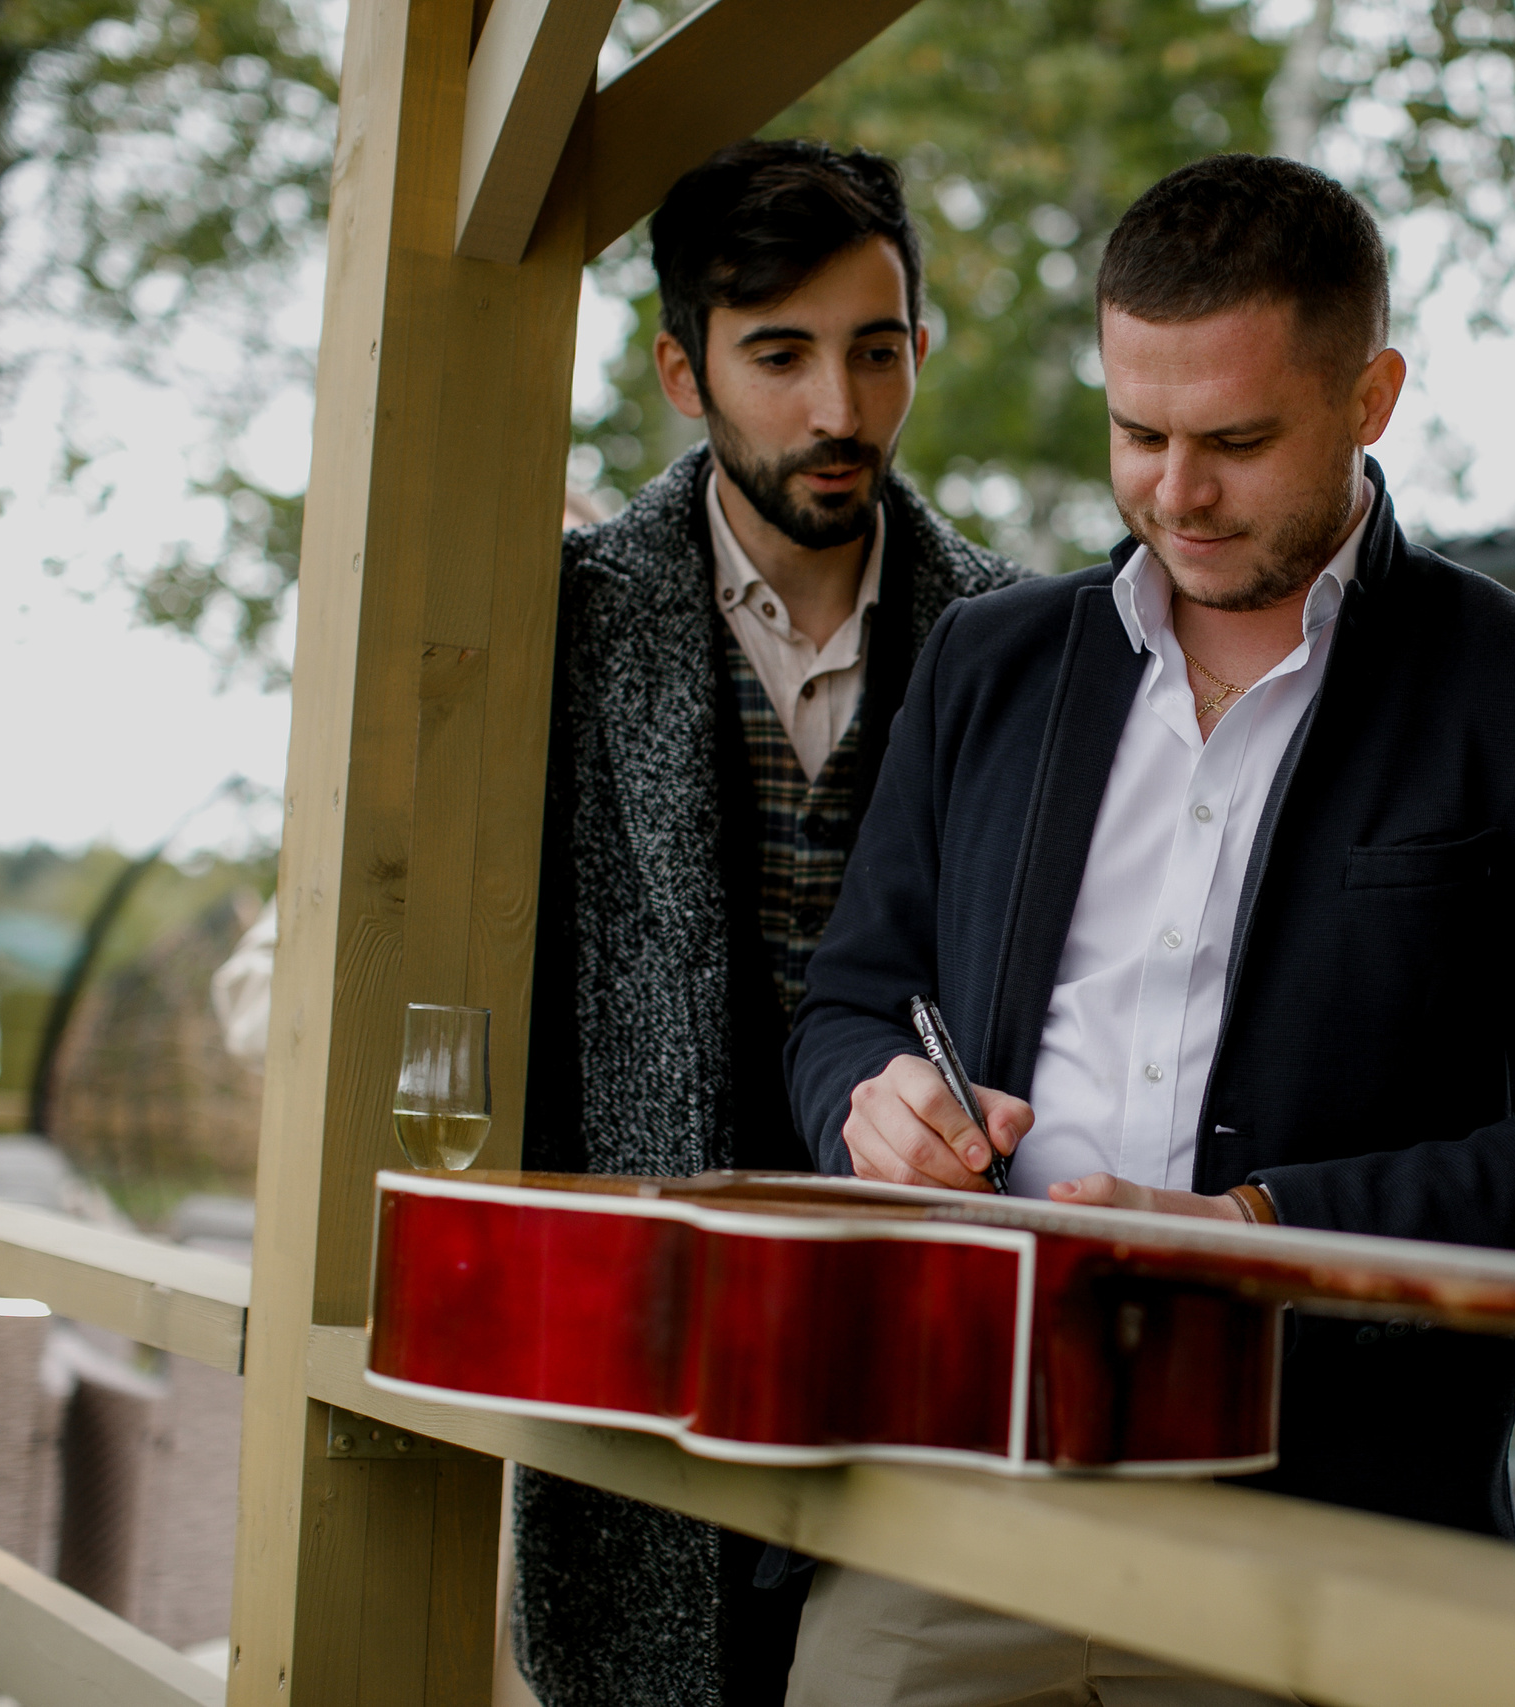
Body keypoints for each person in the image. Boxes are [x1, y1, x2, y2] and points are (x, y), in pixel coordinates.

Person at [782, 153, 1515, 1706]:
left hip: (1334, 1520)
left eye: (1235, 439)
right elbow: (846, 1008)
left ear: (1372, 396)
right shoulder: (985, 664)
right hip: (951, 1486)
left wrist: (1264, 1231)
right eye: (1136, 432)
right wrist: (869, 1105)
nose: (1174, 491)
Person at [511, 140, 1025, 1707]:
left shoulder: (1020, 642)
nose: (840, 410)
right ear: (683, 367)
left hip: (919, 1374)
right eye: (780, 355)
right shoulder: (561, 621)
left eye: (879, 352)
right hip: (639, 1365)